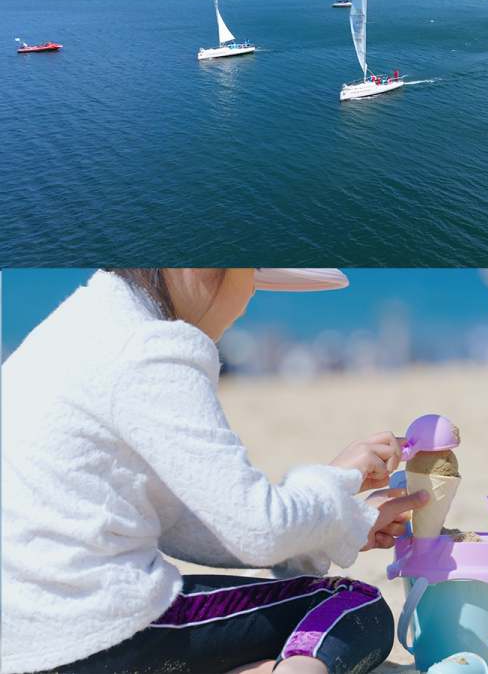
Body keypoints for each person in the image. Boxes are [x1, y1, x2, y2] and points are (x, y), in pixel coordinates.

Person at [1, 269, 428, 674]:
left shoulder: (66, 332)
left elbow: (183, 521)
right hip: (104, 630)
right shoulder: (152, 346)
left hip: (24, 645)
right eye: (253, 276)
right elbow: (261, 531)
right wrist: (334, 481)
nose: (253, 295)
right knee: (353, 604)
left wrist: (342, 522)